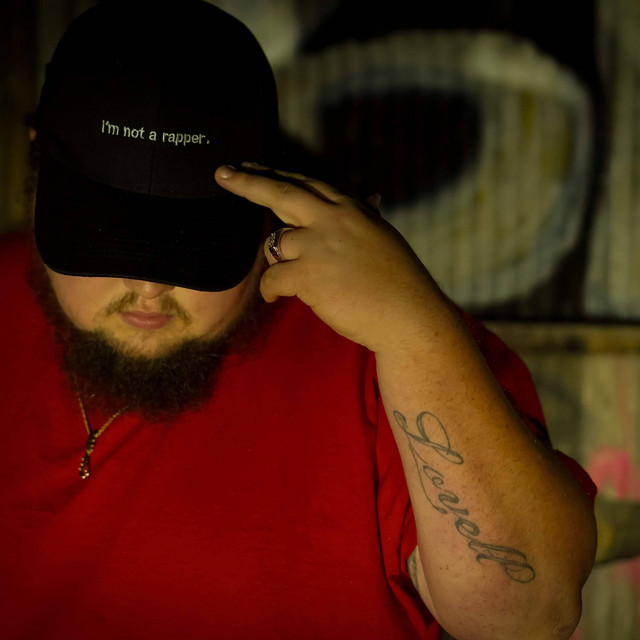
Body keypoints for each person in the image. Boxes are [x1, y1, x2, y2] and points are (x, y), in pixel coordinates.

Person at [0, 1, 597, 639]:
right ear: (38, 162)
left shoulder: (383, 346)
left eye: (185, 248)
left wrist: (412, 331)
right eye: (104, 242)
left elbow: (526, 618)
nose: (148, 286)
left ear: (264, 188)